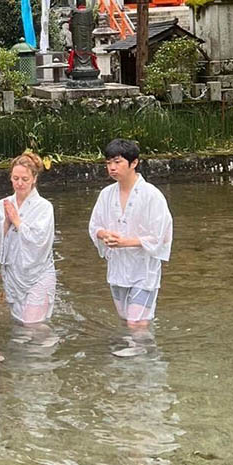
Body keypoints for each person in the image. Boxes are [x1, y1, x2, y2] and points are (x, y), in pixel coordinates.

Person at [89, 139, 173, 328]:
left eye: (117, 162)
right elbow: (95, 226)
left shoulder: (152, 195)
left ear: (133, 163)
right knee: (126, 320)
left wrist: (126, 242)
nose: (112, 167)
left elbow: (161, 235)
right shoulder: (106, 194)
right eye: (108, 163)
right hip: (118, 268)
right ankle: (131, 355)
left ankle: (143, 357)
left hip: (143, 269)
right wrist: (104, 235)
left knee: (136, 322)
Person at [0, 152, 57, 325]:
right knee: (19, 324)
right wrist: (6, 223)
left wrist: (17, 222)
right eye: (15, 178)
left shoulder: (44, 207)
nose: (19, 183)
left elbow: (41, 242)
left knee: (34, 325)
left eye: (24, 179)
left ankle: (48, 348)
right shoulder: (2, 204)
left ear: (34, 178)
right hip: (13, 274)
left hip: (38, 274)